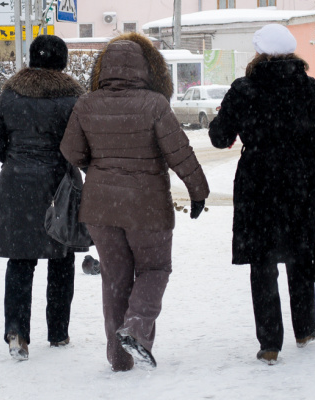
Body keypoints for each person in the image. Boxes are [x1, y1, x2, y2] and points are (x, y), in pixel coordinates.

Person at [61, 32, 210, 371]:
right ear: (145, 68)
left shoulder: (86, 103)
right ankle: (137, 326)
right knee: (154, 268)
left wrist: (94, 167)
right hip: (148, 206)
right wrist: (198, 190)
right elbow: (179, 152)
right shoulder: (154, 103)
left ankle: (119, 358)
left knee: (115, 277)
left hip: (100, 207)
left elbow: (70, 151)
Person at [207, 24, 315, 365]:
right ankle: (304, 328)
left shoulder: (243, 89)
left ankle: (270, 342)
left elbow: (219, 137)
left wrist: (225, 122)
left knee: (262, 261)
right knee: (301, 256)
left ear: (258, 53)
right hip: (301, 180)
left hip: (258, 182)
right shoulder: (306, 87)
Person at [0, 35, 85, 361]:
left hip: (18, 187)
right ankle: (58, 332)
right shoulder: (72, 99)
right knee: (61, 258)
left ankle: (16, 332)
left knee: (20, 260)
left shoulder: (11, 96)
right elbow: (82, 146)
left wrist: (16, 162)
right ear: (63, 62)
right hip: (59, 188)